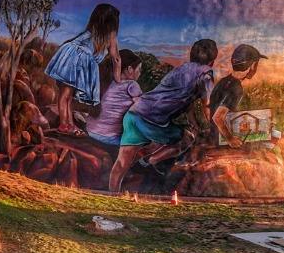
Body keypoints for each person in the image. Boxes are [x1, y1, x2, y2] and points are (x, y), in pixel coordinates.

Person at [108, 39, 219, 193]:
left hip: (133, 114)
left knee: (122, 162)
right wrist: (208, 126)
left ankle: (112, 195)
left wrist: (193, 120)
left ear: (191, 56)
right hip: (151, 122)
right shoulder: (206, 74)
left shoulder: (178, 70)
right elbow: (206, 104)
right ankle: (150, 161)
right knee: (187, 138)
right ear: (212, 61)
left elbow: (188, 105)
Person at [45, 3, 121, 134]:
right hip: (74, 59)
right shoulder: (110, 36)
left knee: (67, 95)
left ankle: (68, 124)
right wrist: (118, 80)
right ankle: (64, 125)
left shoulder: (94, 30)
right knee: (66, 95)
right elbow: (116, 59)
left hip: (73, 57)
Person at [209, 44, 266, 147]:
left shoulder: (224, 81)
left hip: (213, 135)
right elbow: (217, 118)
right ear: (252, 66)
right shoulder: (236, 88)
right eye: (256, 64)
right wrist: (230, 139)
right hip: (221, 140)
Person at [85, 50, 143, 148]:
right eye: (139, 69)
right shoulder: (131, 85)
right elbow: (143, 108)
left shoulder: (105, 82)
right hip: (110, 137)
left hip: (90, 130)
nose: (140, 73)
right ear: (129, 69)